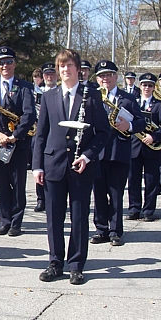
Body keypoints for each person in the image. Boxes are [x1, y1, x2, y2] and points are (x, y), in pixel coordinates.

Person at [32, 49, 110, 284]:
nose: (66, 70)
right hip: (53, 164)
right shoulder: (49, 96)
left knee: (78, 216)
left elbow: (103, 133)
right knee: (54, 217)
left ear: (79, 70)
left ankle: (76, 264)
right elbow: (41, 134)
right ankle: (55, 262)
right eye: (62, 66)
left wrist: (87, 156)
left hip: (80, 167)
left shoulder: (92, 95)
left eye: (70, 66)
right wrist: (37, 166)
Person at [0, 46, 36, 237]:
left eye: (9, 61)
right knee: (2, 184)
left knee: (18, 184)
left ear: (15, 63)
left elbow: (30, 114)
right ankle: (4, 220)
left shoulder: (25, 87)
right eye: (1, 62)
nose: (5, 65)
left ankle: (16, 222)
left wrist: (16, 135)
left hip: (18, 143)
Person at [90, 60, 146, 246]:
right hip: (97, 153)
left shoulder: (128, 98)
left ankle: (115, 231)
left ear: (116, 76)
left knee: (116, 194)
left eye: (108, 75)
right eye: (101, 76)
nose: (105, 78)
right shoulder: (91, 97)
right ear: (97, 79)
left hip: (118, 152)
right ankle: (101, 229)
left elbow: (141, 122)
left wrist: (128, 126)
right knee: (98, 194)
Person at [126, 73, 161, 222]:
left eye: (150, 85)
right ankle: (134, 208)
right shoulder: (134, 102)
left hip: (152, 147)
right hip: (134, 146)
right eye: (144, 85)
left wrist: (154, 137)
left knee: (151, 180)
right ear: (140, 86)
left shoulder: (160, 105)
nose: (147, 88)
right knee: (133, 180)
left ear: (154, 88)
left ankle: (148, 210)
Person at [32, 62, 59, 213]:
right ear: (43, 76)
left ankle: (54, 198)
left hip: (54, 136)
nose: (49, 77)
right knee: (39, 166)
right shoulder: (37, 93)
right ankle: (41, 199)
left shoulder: (61, 93)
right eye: (47, 74)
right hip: (39, 134)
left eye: (52, 74)